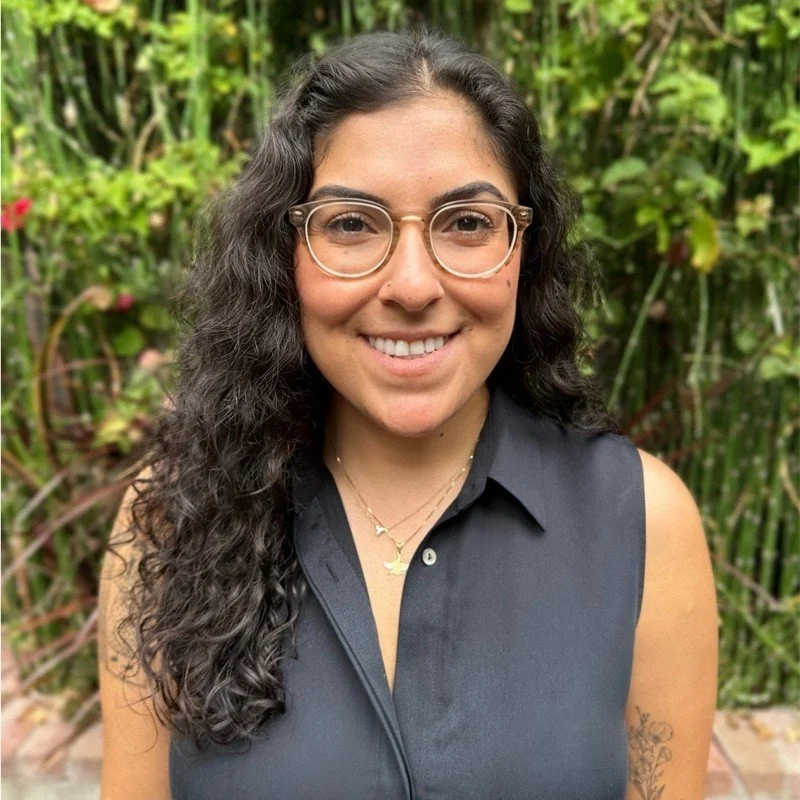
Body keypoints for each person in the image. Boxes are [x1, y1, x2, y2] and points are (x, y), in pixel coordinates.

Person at [98, 25, 718, 800]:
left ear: (524, 248)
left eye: (467, 223)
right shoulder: (173, 519)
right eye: (352, 225)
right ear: (284, 255)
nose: (415, 286)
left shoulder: (642, 523)